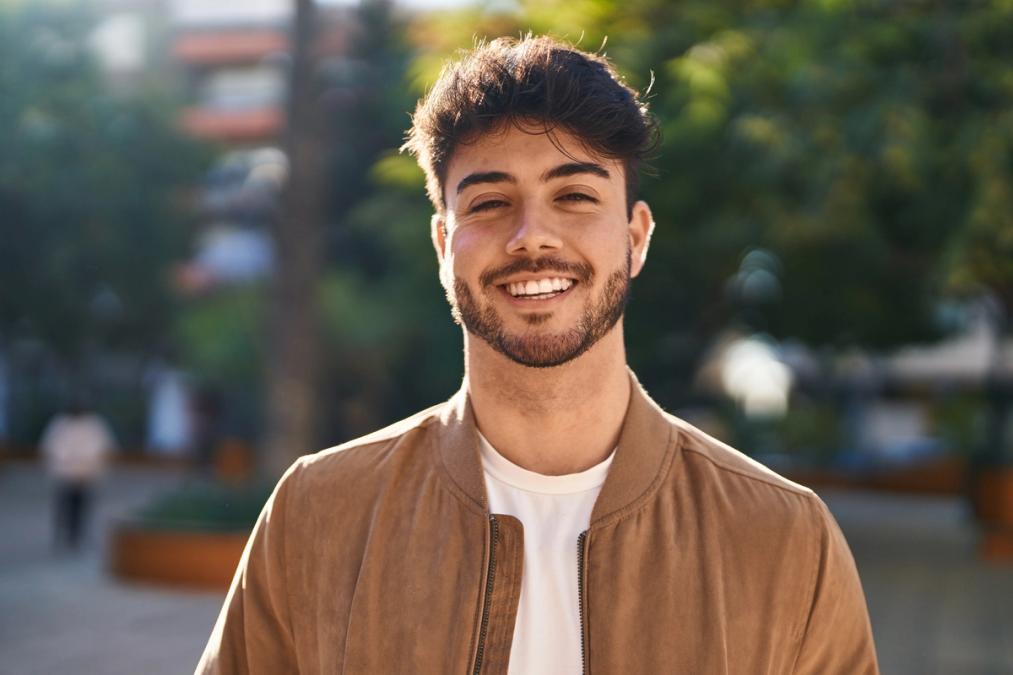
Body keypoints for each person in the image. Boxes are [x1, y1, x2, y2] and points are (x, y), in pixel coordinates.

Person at [198, 36, 878, 674]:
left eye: (574, 195)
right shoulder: (316, 514)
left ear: (635, 238)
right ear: (443, 246)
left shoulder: (785, 538)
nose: (532, 237)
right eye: (490, 202)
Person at [40, 399, 116, 551]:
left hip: (86, 475)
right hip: (65, 474)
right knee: (63, 507)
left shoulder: (94, 425)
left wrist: (90, 468)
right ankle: (62, 536)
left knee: (83, 507)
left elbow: (103, 448)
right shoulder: (60, 425)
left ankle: (79, 536)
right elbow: (52, 448)